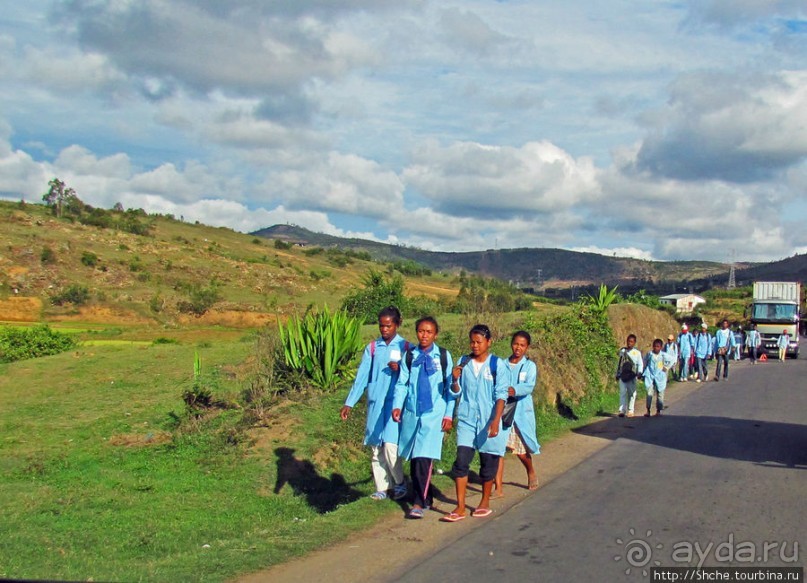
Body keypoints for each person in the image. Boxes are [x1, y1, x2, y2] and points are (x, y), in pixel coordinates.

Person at [442, 324, 510, 523]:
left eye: (479, 342)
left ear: (489, 342)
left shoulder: (498, 365)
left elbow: (501, 395)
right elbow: (455, 392)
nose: (475, 345)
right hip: (467, 420)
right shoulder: (463, 363)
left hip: (488, 421)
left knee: (488, 464)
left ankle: (484, 501)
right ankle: (460, 506)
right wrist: (454, 380)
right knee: (461, 463)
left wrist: (496, 421)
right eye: (472, 341)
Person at [392, 316, 458, 519]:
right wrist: (397, 406)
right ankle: (426, 497)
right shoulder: (410, 357)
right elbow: (402, 384)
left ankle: (418, 503)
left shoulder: (444, 357)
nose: (424, 335)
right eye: (421, 331)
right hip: (413, 414)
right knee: (413, 458)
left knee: (423, 458)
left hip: (433, 415)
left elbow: (450, 389)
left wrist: (448, 415)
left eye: (429, 332)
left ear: (435, 334)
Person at [341, 306, 409, 501]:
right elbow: (362, 377)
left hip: (395, 405)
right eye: (382, 326)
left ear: (397, 324)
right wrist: (350, 403)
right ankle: (382, 487)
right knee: (375, 447)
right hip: (375, 404)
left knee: (390, 446)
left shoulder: (406, 348)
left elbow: (412, 377)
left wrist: (400, 368)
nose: (384, 329)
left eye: (388, 326)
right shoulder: (372, 348)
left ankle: (400, 482)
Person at [493, 331, 540, 497]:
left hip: (519, 412)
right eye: (515, 344)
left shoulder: (529, 366)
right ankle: (498, 487)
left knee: (520, 451)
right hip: (502, 411)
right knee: (498, 450)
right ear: (511, 344)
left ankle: (530, 471)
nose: (518, 348)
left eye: (522, 345)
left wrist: (515, 390)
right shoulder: (502, 364)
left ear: (527, 347)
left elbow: (529, 386)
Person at [643, 338, 676, 417]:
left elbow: (673, 359)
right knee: (649, 393)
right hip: (650, 375)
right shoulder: (649, 354)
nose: (656, 348)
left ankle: (658, 410)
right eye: (654, 346)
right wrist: (643, 371)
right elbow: (644, 362)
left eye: (658, 347)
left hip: (660, 376)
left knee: (660, 393)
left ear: (661, 347)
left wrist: (667, 367)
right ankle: (648, 410)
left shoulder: (663, 355)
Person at [615, 334, 643, 417]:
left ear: (634, 343)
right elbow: (619, 363)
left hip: (632, 376)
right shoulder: (622, 351)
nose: (629, 343)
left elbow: (640, 364)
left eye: (631, 341)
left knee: (632, 394)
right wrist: (617, 373)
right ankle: (622, 410)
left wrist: (639, 372)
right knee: (622, 392)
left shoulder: (637, 353)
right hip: (623, 375)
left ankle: (631, 410)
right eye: (628, 341)